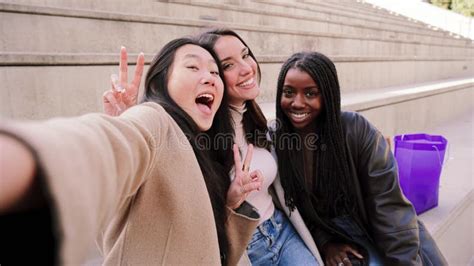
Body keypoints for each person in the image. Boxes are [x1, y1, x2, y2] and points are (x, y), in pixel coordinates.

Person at [0, 37, 264, 265]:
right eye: (193, 67)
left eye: (215, 73)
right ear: (160, 84)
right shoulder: (155, 119)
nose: (209, 77)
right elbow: (103, 144)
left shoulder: (202, 146)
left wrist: (229, 202)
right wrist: (31, 155)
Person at [102, 29, 323, 265]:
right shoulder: (189, 134)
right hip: (245, 247)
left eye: (245, 55)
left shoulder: (257, 124)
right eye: (227, 65)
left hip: (281, 231)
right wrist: (122, 125)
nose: (247, 68)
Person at [273, 51, 448, 266]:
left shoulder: (356, 130)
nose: (297, 103)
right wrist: (326, 243)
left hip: (376, 227)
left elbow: (388, 207)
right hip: (336, 235)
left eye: (310, 93)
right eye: (288, 92)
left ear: (327, 95)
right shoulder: (278, 141)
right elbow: (296, 209)